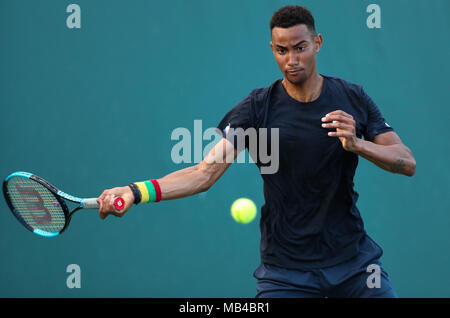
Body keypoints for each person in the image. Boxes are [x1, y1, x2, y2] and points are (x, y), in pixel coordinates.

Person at [97, 5, 416, 298]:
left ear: (317, 42)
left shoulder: (352, 97)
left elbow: (406, 162)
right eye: (282, 50)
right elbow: (202, 174)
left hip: (355, 266)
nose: (291, 60)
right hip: (286, 274)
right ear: (272, 50)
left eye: (300, 48)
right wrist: (133, 192)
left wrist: (358, 144)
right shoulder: (257, 108)